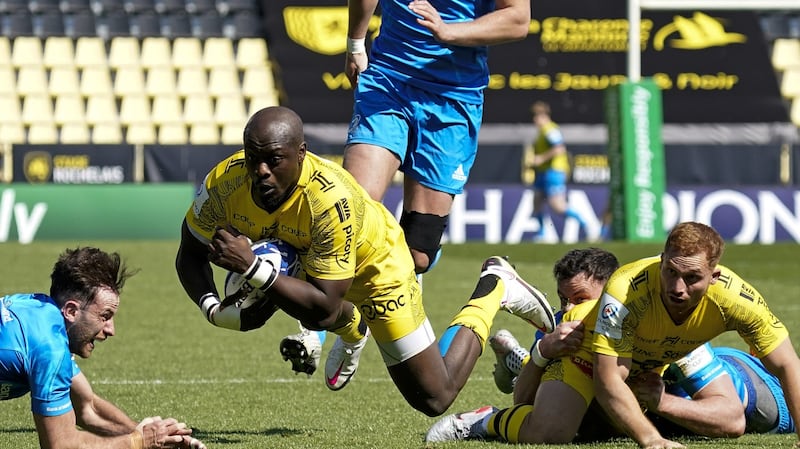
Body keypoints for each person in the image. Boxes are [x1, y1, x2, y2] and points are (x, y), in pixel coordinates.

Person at [174, 106, 556, 416]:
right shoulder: (226, 182)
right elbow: (189, 251)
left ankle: (496, 285)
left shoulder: (329, 200)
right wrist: (212, 308)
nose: (261, 171)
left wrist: (254, 269)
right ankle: (355, 327)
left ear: (301, 154)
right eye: (253, 158)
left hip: (376, 269)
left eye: (274, 160)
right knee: (296, 297)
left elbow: (324, 306)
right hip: (313, 262)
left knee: (434, 397)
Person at [276, 0, 535, 382]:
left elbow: (517, 20)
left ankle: (359, 318)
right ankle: (331, 329)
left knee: (418, 254)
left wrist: (448, 31)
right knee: (349, 213)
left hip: (454, 97)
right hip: (389, 81)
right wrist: (355, 43)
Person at [426, 222, 800, 446]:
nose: (678, 288)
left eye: (691, 278)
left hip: (647, 377)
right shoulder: (619, 298)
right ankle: (487, 415)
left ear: (714, 277)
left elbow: (749, 404)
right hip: (595, 358)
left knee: (601, 423)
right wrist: (651, 440)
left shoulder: (724, 308)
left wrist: (660, 402)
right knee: (555, 427)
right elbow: (602, 382)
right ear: (661, 262)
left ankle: (527, 351)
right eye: (671, 272)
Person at [490, 248, 796, 438]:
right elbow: (525, 404)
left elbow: (731, 418)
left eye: (581, 300)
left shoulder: (664, 329)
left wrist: (661, 402)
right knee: (585, 418)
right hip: (652, 413)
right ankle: (522, 363)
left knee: (599, 416)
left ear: (610, 297)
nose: (569, 310)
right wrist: (542, 353)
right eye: (563, 300)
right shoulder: (564, 329)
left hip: (751, 385)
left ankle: (517, 363)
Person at [0, 247, 206, 449]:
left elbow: (87, 408)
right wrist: (139, 442)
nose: (111, 330)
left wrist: (145, 433)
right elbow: (60, 444)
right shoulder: (48, 349)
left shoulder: (40, 312)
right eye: (104, 316)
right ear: (71, 311)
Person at [527, 101, 588, 242]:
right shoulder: (541, 132)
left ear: (543, 115)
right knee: (536, 202)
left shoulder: (550, 130)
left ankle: (586, 224)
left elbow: (559, 148)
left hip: (554, 172)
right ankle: (542, 234)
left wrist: (541, 159)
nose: (534, 120)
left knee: (558, 206)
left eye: (535, 116)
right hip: (543, 173)